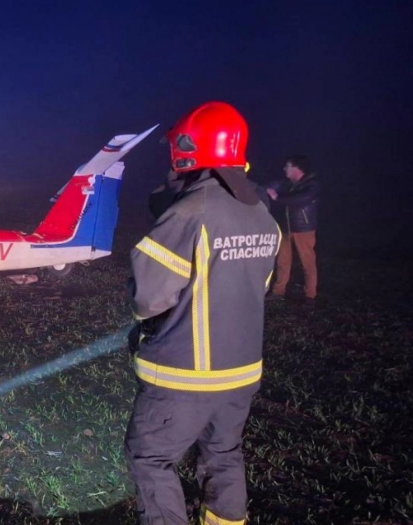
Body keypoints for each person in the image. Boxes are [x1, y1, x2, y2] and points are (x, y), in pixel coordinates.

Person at [125, 101, 280, 525]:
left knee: (149, 458)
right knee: (223, 453)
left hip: (184, 374)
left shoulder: (189, 211)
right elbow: (259, 285)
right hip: (242, 371)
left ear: (189, 147)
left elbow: (148, 298)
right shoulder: (261, 213)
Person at [266, 155, 320, 305]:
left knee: (307, 263)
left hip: (303, 229)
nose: (284, 169)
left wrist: (276, 198)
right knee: (282, 261)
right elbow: (270, 186)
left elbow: (300, 199)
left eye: (287, 166)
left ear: (297, 168)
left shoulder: (312, 185)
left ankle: (310, 295)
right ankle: (278, 291)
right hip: (285, 228)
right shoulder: (288, 184)